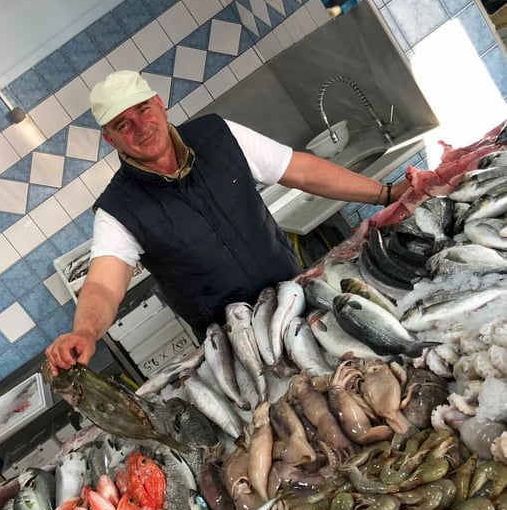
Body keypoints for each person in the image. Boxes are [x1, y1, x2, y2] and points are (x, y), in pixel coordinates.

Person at [45, 70, 408, 374]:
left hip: (298, 298)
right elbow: (103, 285)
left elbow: (300, 170)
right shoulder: (117, 208)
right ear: (110, 139)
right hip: (236, 346)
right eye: (123, 124)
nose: (141, 127)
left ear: (158, 103)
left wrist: (387, 194)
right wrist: (85, 332)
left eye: (143, 110)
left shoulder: (217, 134)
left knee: (355, 371)